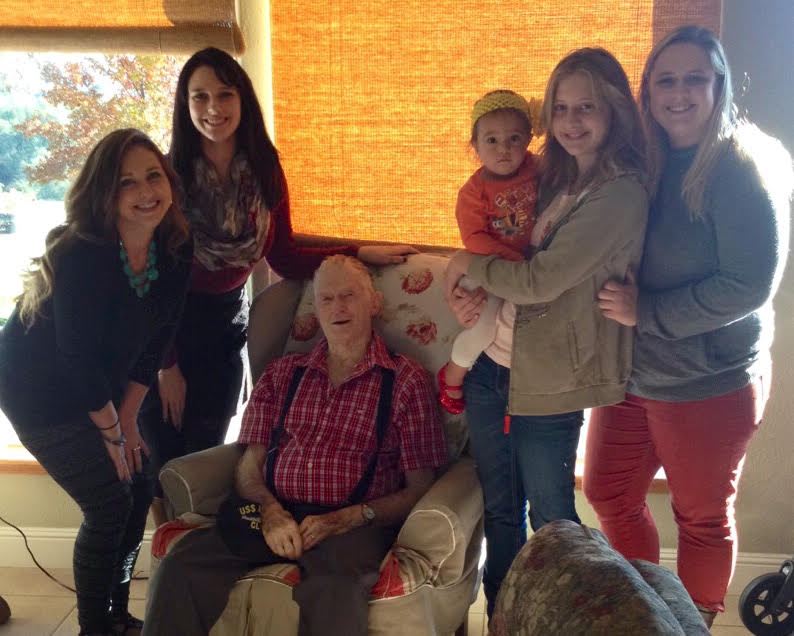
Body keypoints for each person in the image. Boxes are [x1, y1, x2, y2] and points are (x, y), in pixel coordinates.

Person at [141, 47, 416, 526]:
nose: (212, 109)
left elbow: (283, 256)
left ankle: (201, 555)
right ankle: (165, 567)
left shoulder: (265, 170)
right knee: (161, 464)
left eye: (224, 94)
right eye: (199, 97)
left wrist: (356, 253)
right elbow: (153, 281)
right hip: (168, 329)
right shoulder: (170, 177)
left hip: (226, 324)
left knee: (205, 451)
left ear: (243, 100)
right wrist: (166, 365)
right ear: (184, 106)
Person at [586, 25, 792, 628]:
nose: (679, 93)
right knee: (608, 493)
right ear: (647, 92)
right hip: (631, 372)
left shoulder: (738, 168)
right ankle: (647, 613)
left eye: (695, 79)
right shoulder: (643, 162)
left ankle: (693, 622)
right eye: (666, 80)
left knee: (700, 517)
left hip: (709, 381)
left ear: (719, 85)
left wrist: (646, 313)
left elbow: (749, 285)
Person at [444, 48, 648, 616]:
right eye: (561, 107)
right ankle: (504, 619)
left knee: (552, 516)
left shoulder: (619, 191)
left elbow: (540, 279)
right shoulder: (558, 178)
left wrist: (466, 265)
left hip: (553, 379)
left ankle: (563, 623)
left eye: (587, 107)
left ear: (614, 112)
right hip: (495, 366)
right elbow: (494, 251)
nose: (572, 120)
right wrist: (465, 286)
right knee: (500, 509)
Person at [143, 255, 448, 636]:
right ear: (316, 311)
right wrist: (270, 511)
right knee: (183, 564)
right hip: (273, 517)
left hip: (352, 527)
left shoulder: (405, 380)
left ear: (374, 303)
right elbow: (248, 465)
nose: (338, 307)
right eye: (326, 299)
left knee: (335, 592)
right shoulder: (283, 373)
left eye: (349, 295)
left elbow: (419, 486)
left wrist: (347, 518)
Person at [0, 129, 192, 636]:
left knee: (140, 481)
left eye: (153, 175)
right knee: (109, 502)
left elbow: (156, 342)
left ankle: (116, 614)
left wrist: (128, 422)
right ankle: (94, 629)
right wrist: (111, 433)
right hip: (37, 389)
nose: (145, 190)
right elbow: (76, 357)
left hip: (98, 385)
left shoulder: (173, 248)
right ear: (104, 193)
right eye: (126, 182)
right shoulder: (81, 252)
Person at [437, 89, 538, 415]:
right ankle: (453, 372)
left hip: (521, 271)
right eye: (491, 140)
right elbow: (474, 239)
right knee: (484, 328)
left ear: (528, 140)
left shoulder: (538, 169)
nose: (504, 149)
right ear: (475, 146)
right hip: (486, 269)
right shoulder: (473, 192)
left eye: (514, 138)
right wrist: (512, 261)